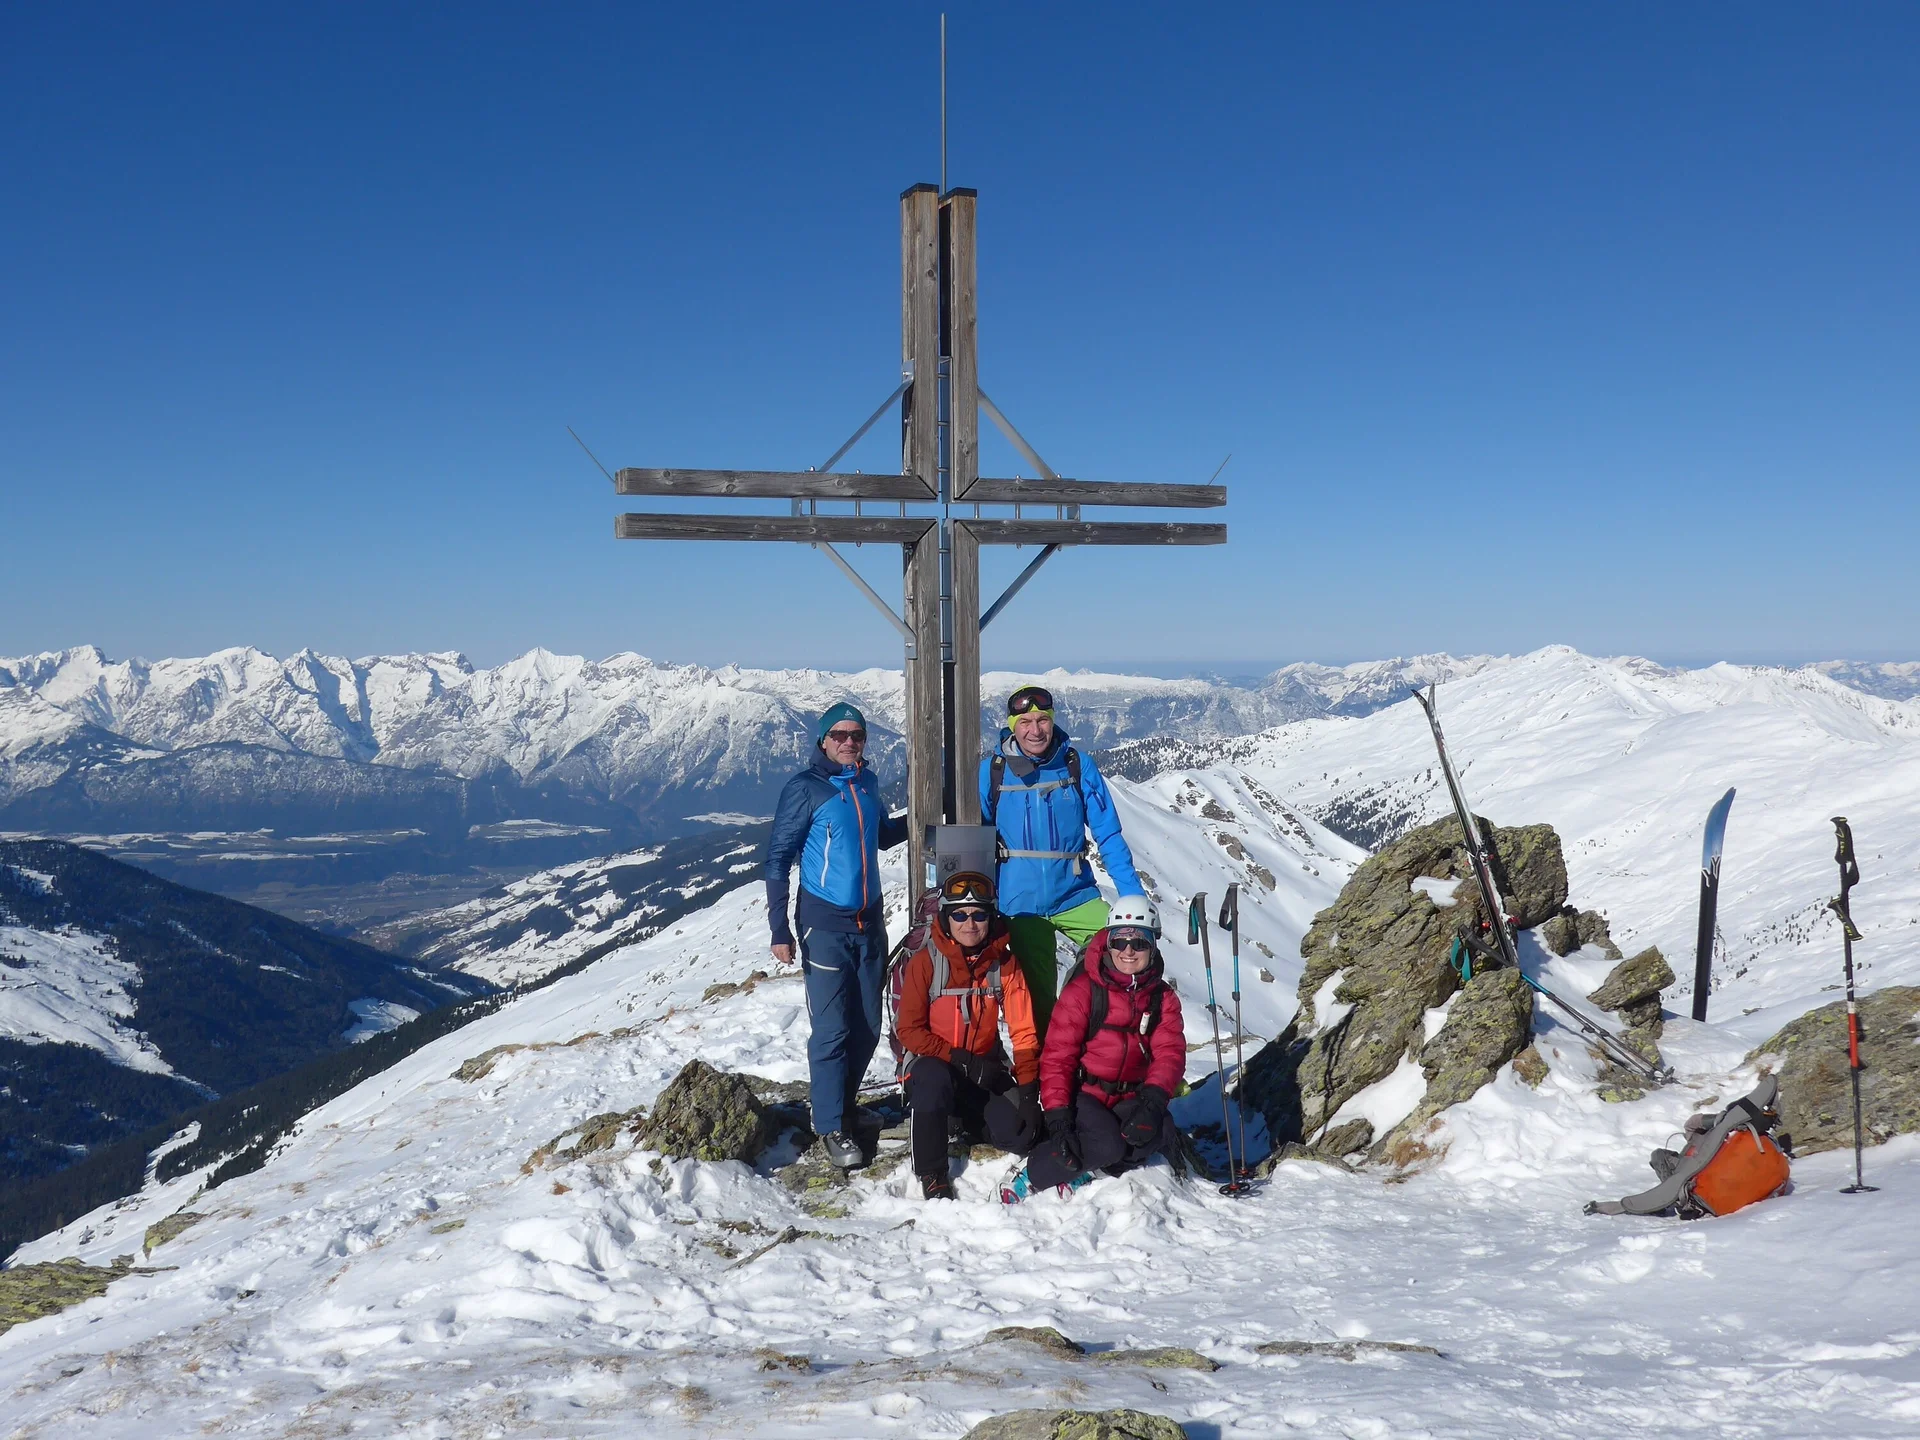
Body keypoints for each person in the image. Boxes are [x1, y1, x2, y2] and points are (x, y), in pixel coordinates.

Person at [766, 701, 907, 1168]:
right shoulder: (806, 789)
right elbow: (778, 859)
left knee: (867, 1025)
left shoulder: (865, 782)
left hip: (870, 922)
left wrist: (929, 820)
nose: (849, 742)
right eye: (840, 735)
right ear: (823, 740)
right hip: (824, 925)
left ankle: (844, 1111)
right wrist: (779, 928)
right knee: (832, 1030)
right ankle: (829, 1126)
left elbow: (882, 836)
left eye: (857, 735)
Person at [980, 684, 1143, 1034]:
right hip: (1019, 905)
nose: (1035, 729)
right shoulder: (992, 771)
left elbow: (1108, 835)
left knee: (1124, 950)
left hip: (1075, 895)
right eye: (1025, 721)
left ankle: (1107, 1046)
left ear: (1053, 721)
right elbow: (975, 836)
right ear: (1011, 725)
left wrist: (1132, 898)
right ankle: (1047, 1076)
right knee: (1037, 1000)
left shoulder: (1076, 765)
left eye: (1042, 720)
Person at [1016, 894, 1186, 1197]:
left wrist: (1153, 1103)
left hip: (1131, 1093)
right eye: (1120, 941)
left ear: (1153, 945)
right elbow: (1058, 1057)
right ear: (1107, 943)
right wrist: (1057, 1119)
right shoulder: (1084, 992)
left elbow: (1169, 1054)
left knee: (1158, 1131)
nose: (1129, 951)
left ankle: (1091, 1168)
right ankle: (1030, 1175)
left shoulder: (1162, 998)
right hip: (1085, 1094)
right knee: (1108, 1143)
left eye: (1140, 942)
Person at [891, 871, 1044, 1200]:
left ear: (991, 917)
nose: (970, 923)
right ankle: (932, 1172)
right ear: (946, 917)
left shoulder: (1004, 964)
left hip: (983, 1069)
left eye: (979, 915)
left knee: (1021, 1132)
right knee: (933, 1080)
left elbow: (1024, 1032)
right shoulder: (926, 963)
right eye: (960, 914)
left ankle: (959, 1118)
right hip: (933, 1063)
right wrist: (959, 1059)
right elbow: (908, 1031)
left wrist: (1030, 1093)